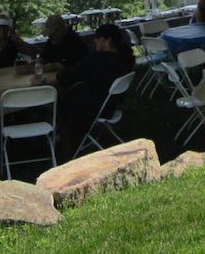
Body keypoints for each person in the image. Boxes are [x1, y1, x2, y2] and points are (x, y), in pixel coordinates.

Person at [39, 23, 135, 156]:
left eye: (98, 38)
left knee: (59, 101)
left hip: (92, 107)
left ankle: (66, 140)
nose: (95, 40)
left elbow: (70, 75)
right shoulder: (124, 59)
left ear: (108, 41)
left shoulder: (97, 58)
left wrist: (42, 81)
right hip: (111, 105)